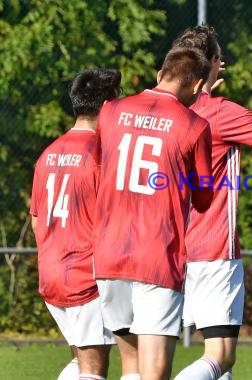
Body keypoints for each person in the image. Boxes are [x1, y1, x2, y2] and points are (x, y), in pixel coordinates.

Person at [170, 25, 252, 380]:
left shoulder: (162, 111)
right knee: (221, 356)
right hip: (213, 248)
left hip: (163, 251)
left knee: (150, 357)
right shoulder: (218, 112)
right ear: (214, 63)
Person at [93, 47, 213, 380]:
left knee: (130, 369)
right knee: (154, 374)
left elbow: (99, 169)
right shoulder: (194, 124)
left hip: (108, 255)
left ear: (160, 74)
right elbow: (204, 198)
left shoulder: (110, 110)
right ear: (198, 85)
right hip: (156, 256)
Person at [30, 68, 122, 380]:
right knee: (94, 369)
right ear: (108, 106)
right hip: (85, 276)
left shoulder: (48, 154)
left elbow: (36, 220)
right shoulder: (101, 152)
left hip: (51, 272)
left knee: (80, 362)